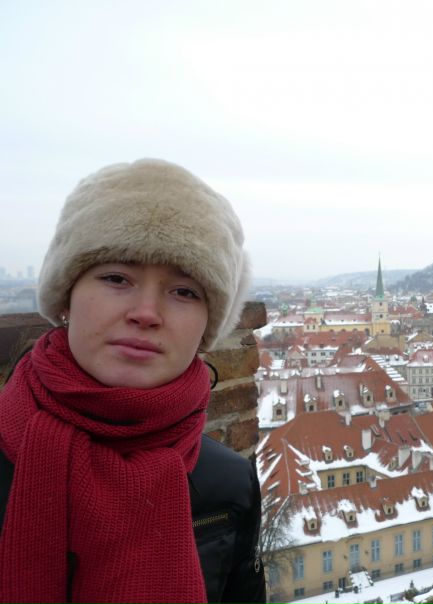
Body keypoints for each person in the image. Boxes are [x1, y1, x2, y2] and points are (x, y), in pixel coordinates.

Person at [0, 159, 266, 603]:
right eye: (116, 278)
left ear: (207, 327)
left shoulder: (229, 481)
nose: (146, 313)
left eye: (184, 291)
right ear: (65, 298)